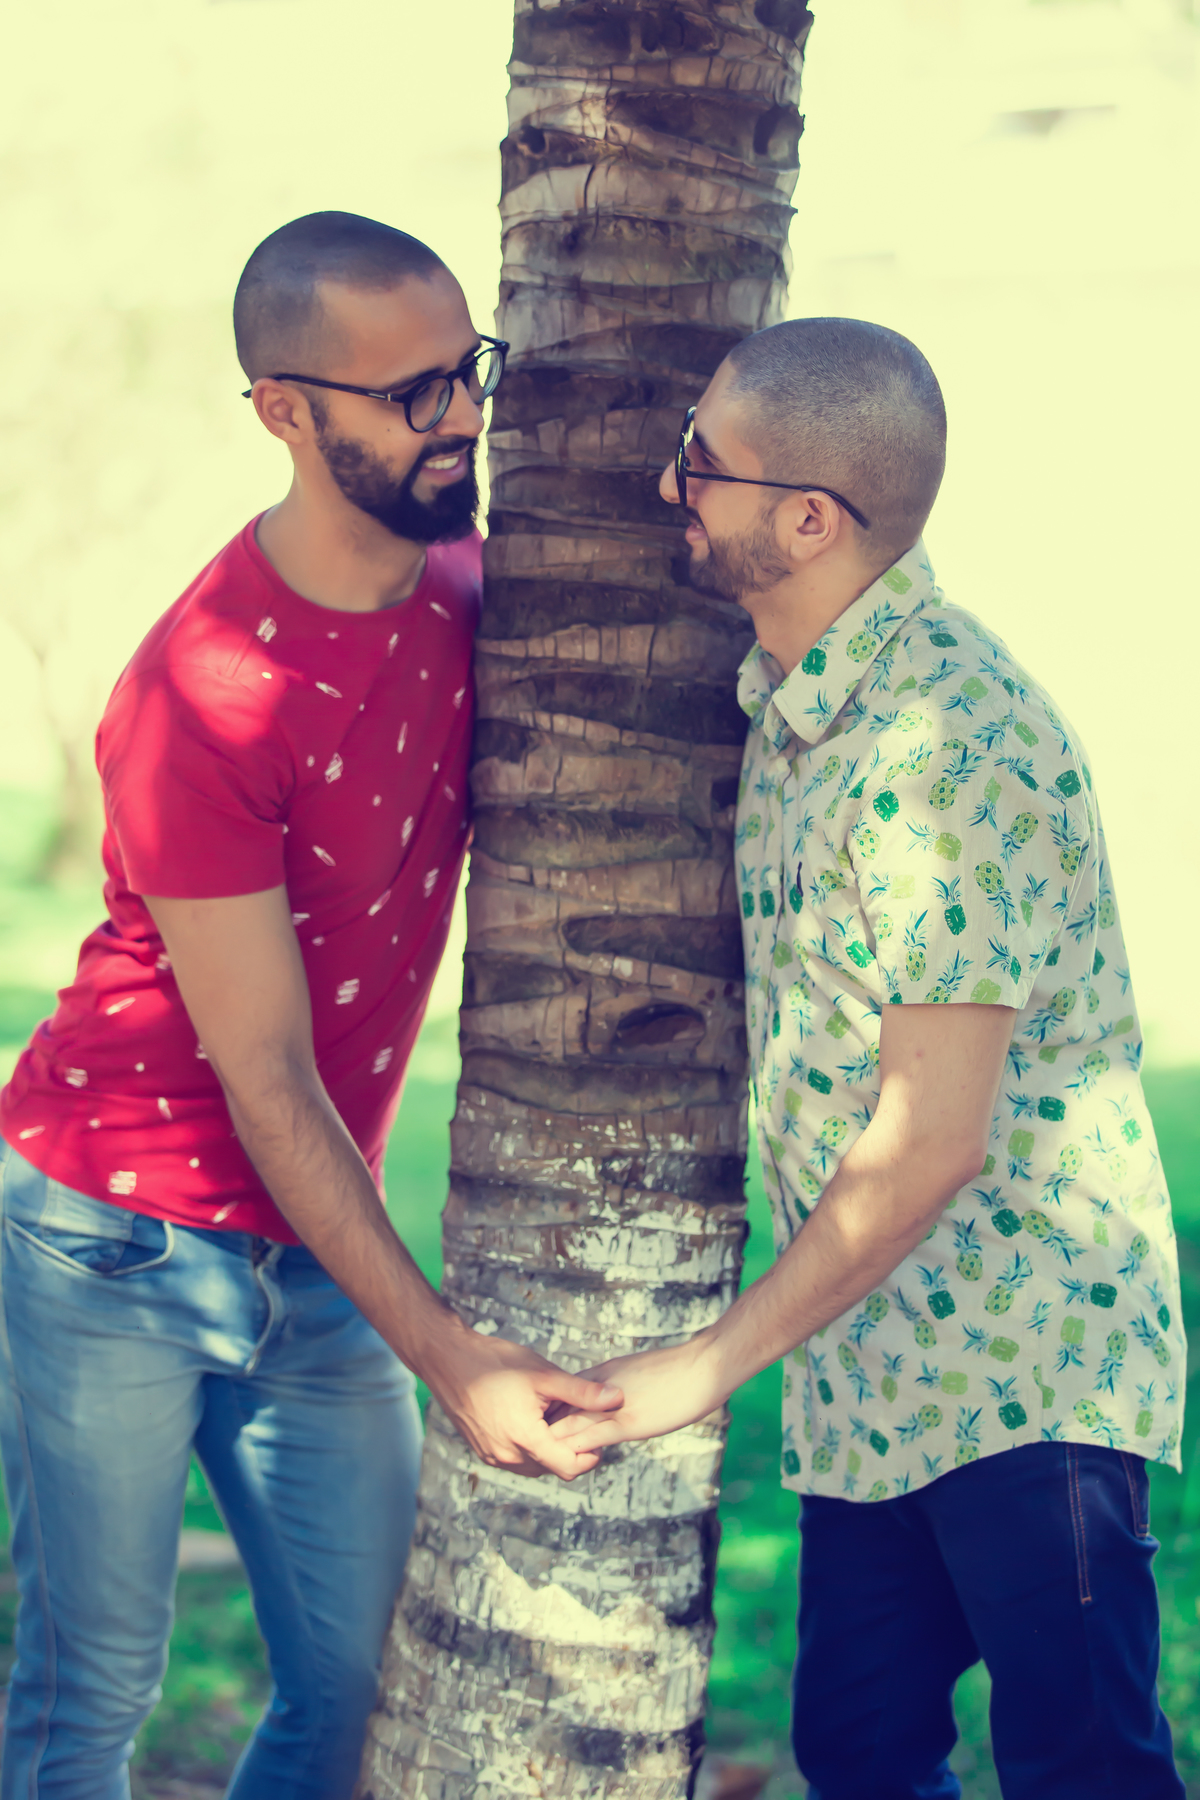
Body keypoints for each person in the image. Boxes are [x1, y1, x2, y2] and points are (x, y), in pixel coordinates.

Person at [0, 211, 619, 1800]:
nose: (461, 417)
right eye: (410, 394)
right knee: (92, 1694)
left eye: (467, 371)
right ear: (282, 409)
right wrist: (453, 1358)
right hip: (113, 1241)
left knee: (361, 1685)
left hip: (315, 1249)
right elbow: (267, 1074)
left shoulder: (471, 591)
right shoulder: (202, 695)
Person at [551, 317, 1186, 1798]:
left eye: (701, 461)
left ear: (809, 520)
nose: (669, 484)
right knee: (859, 1751)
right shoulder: (794, 707)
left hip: (1026, 1365)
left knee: (1085, 1770)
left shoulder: (946, 742)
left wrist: (698, 1372)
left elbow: (931, 1139)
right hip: (873, 1376)